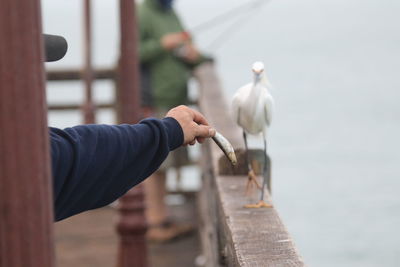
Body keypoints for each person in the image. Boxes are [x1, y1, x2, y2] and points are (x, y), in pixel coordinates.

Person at [51, 105, 215, 221]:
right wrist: (168, 131)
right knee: (160, 172)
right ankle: (157, 220)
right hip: (158, 110)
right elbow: (73, 157)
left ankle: (158, 219)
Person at [138, 0, 210, 241]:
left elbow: (185, 47)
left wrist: (195, 55)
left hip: (176, 100)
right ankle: (155, 223)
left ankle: (162, 218)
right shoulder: (142, 12)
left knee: (166, 165)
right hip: (153, 99)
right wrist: (162, 44)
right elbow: (131, 53)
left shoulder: (171, 12)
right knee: (154, 165)